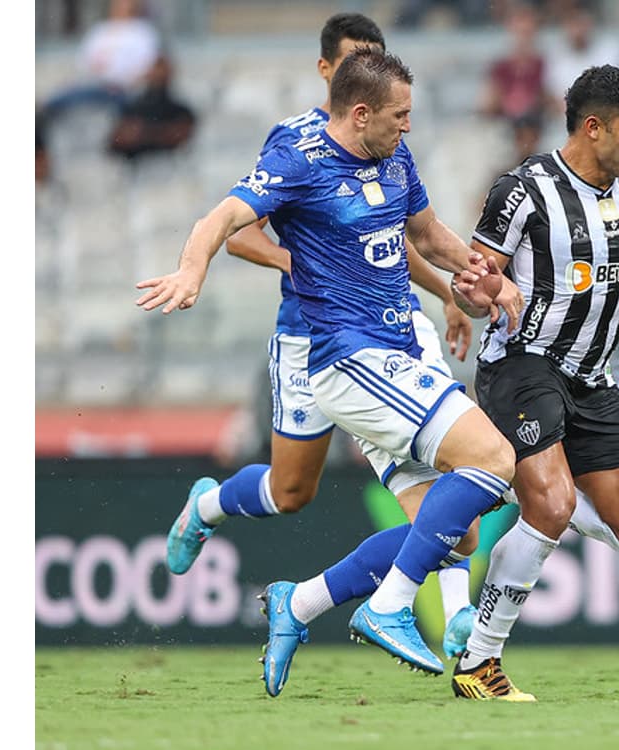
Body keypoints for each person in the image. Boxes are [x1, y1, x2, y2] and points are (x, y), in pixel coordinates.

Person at [136, 47, 525, 683]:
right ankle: (391, 607)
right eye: (399, 115)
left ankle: (302, 601)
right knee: (490, 459)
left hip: (397, 352)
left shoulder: (392, 153)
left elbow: (425, 235)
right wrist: (191, 266)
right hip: (349, 358)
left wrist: (480, 275)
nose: (409, 126)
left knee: (455, 534)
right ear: (361, 110)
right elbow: (227, 220)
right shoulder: (298, 157)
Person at [448, 64, 619, 701]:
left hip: (594, 380)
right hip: (523, 365)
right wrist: (479, 293)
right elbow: (470, 286)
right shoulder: (522, 191)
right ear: (592, 128)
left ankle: (532, 485)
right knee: (551, 506)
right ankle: (479, 665)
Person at [40, 0, 161, 123]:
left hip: (121, 88)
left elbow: (149, 66)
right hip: (93, 83)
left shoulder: (142, 32)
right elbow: (84, 60)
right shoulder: (100, 30)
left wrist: (125, 81)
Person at [107, 54, 197, 161]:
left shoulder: (181, 110)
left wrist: (144, 133)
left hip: (167, 165)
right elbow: (116, 141)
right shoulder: (132, 107)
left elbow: (180, 137)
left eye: (161, 70)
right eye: (155, 69)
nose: (158, 74)